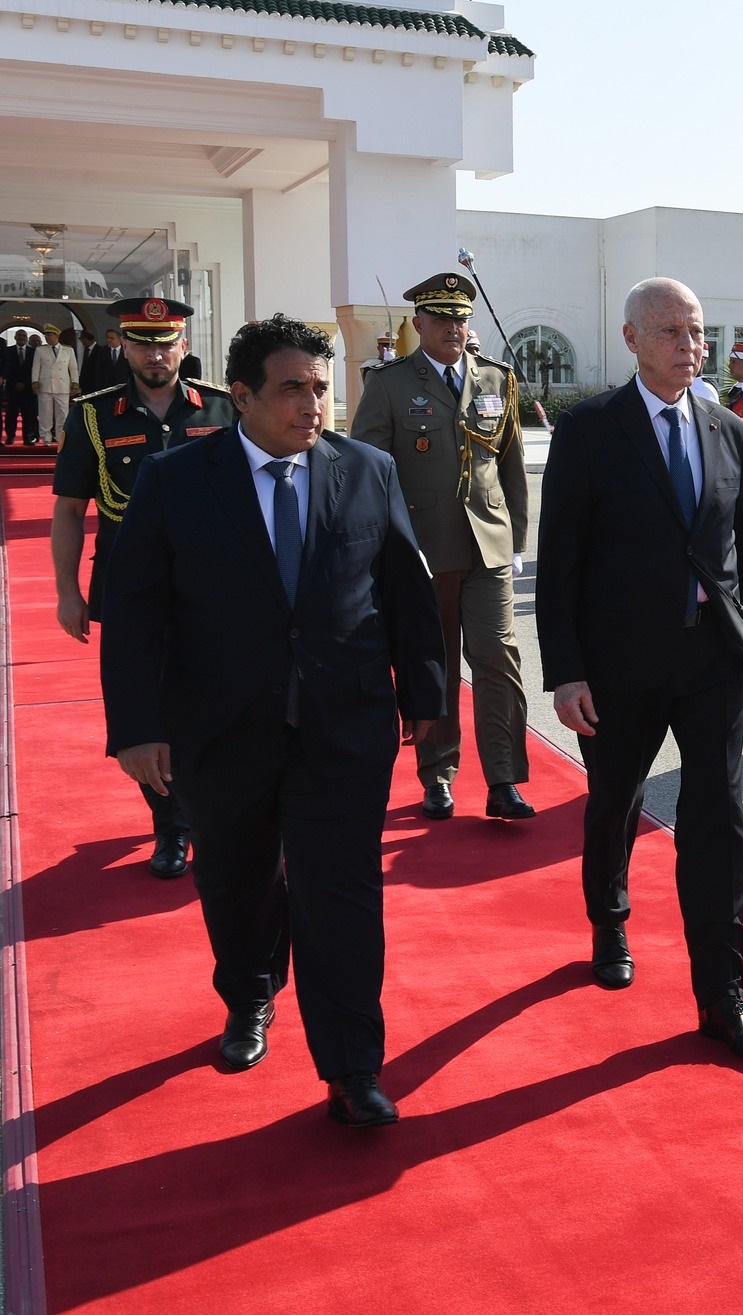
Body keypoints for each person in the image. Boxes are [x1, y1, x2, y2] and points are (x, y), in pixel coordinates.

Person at [98, 314, 444, 1125]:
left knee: (343, 895)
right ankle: (251, 992)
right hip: (221, 731)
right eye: (293, 388)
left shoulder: (369, 471)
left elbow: (405, 594)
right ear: (242, 396)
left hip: (342, 725)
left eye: (321, 387)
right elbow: (137, 611)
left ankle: (353, 1067)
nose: (312, 403)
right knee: (238, 882)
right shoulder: (175, 481)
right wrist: (138, 726)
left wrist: (425, 697)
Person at [536, 277, 743, 1059]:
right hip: (618, 665)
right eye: (671, 332)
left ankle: (722, 998)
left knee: (716, 823)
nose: (689, 347)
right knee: (615, 802)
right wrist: (566, 671)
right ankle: (609, 921)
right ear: (632, 338)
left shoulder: (730, 432)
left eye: (697, 332)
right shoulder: (590, 430)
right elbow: (560, 562)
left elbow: (738, 557)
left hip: (709, 660)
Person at [51, 297, 238, 878]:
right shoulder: (92, 416)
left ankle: (211, 813)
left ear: (183, 345)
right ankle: (170, 827)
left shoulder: (224, 408)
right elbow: (69, 509)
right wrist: (66, 591)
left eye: (166, 343)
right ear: (124, 347)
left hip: (214, 590)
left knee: (215, 705)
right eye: (142, 343)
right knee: (144, 708)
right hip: (131, 588)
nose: (156, 355)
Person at [348, 272, 533, 823]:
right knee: (437, 665)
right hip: (423, 550)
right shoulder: (388, 384)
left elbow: (511, 464)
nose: (453, 327)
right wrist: (388, 547)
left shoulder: (497, 380)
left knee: (498, 659)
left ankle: (504, 780)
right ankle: (439, 775)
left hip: (488, 546)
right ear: (418, 323)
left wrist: (517, 538)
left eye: (460, 317)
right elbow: (367, 472)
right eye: (441, 318)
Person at [31, 323, 79, 448]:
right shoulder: (40, 350)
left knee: (62, 413)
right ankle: (46, 437)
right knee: (45, 413)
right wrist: (35, 383)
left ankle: (60, 438)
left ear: (57, 335)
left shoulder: (68, 350)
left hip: (62, 385)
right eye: (46, 335)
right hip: (45, 385)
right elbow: (35, 368)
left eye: (50, 335)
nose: (47, 338)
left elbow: (73, 368)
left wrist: (75, 383)